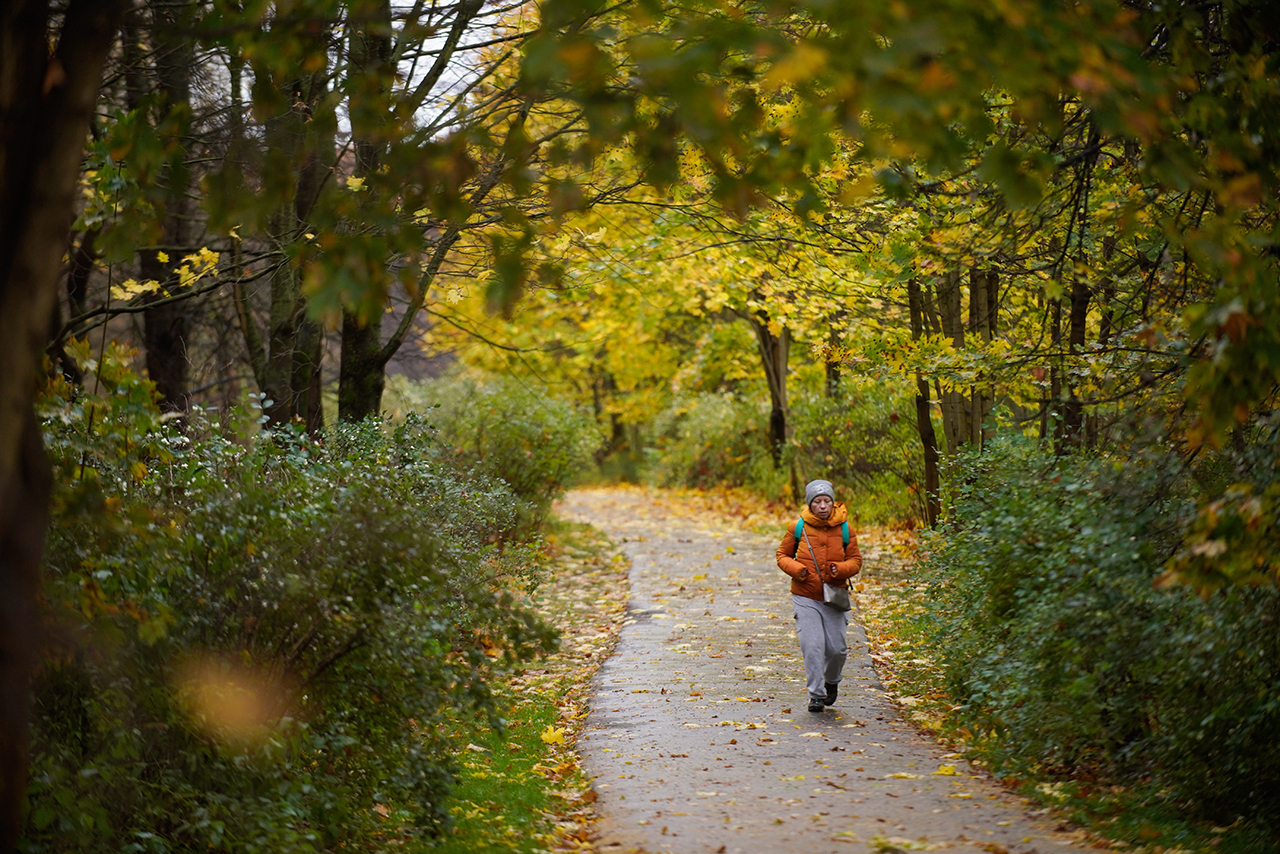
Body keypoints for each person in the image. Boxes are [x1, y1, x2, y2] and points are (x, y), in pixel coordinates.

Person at [776, 479, 863, 713]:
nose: (823, 506)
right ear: (810, 504)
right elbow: (782, 555)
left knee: (837, 650)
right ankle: (816, 695)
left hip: (834, 596)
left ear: (832, 503)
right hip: (805, 595)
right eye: (817, 502)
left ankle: (831, 681)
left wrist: (841, 569)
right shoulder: (798, 527)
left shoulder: (845, 528)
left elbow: (856, 561)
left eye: (827, 501)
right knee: (812, 646)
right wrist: (797, 570)